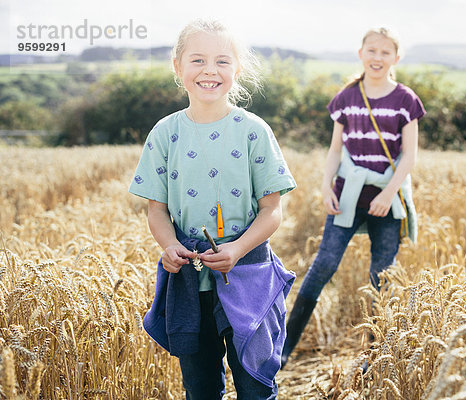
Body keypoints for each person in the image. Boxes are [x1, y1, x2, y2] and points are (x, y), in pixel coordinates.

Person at [129, 19, 296, 399]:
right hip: (190, 280)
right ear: (178, 66)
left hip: (248, 272)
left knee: (255, 385)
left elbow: (272, 209)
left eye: (222, 61)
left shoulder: (254, 131)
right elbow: (157, 210)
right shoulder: (164, 133)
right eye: (198, 60)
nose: (209, 71)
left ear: (237, 70)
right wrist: (169, 245)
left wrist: (236, 249)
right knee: (200, 388)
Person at [281, 27, 425, 367]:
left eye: (385, 52)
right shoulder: (346, 97)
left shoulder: (406, 100)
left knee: (382, 276)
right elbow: (335, 150)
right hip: (348, 194)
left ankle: (372, 358)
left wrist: (389, 194)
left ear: (396, 58)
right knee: (323, 266)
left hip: (388, 201)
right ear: (361, 53)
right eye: (371, 51)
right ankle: (284, 349)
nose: (377, 58)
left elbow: (410, 156)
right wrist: (326, 185)